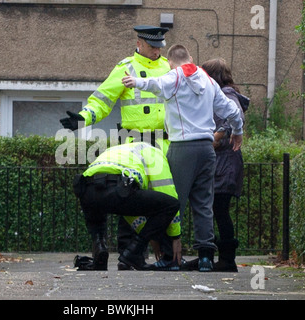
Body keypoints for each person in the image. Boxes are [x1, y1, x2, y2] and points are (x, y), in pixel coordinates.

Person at [122, 44, 244, 272]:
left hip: (182, 147)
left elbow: (156, 85)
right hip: (207, 149)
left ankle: (169, 257)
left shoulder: (174, 76)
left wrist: (135, 82)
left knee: (172, 202)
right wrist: (238, 132)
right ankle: (206, 257)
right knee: (204, 203)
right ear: (191, 58)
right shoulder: (208, 81)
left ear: (170, 63)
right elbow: (232, 111)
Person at [60, 25, 172, 270]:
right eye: (153, 46)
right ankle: (128, 253)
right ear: (139, 43)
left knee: (166, 200)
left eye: (160, 47)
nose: (157, 51)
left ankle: (166, 256)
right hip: (135, 143)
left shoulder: (168, 68)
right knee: (131, 197)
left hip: (164, 144)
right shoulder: (125, 68)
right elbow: (102, 100)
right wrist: (82, 118)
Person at [72, 142, 181, 271]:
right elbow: (167, 191)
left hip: (87, 190)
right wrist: (175, 237)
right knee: (172, 204)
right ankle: (132, 254)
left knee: (97, 217)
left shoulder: (117, 149)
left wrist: (150, 235)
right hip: (120, 189)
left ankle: (100, 249)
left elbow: (130, 213)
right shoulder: (156, 153)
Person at [202, 58, 249, 272]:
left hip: (225, 163)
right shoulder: (222, 94)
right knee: (216, 210)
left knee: (219, 209)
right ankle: (219, 258)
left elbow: (234, 118)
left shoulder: (227, 95)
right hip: (224, 162)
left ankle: (227, 260)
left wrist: (215, 138)